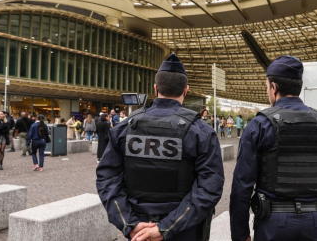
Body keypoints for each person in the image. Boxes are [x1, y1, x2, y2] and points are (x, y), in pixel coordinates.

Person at [230, 55, 317, 241]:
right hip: (314, 222)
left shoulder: (259, 126)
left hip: (271, 224)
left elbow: (241, 186)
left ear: (274, 87)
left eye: (267, 87)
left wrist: (240, 234)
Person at [96, 53, 224, 241]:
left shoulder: (125, 127)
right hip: (183, 231)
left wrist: (129, 223)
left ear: (155, 88)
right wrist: (166, 227)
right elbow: (209, 188)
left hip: (138, 231)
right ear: (186, 90)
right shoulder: (201, 131)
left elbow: (107, 178)